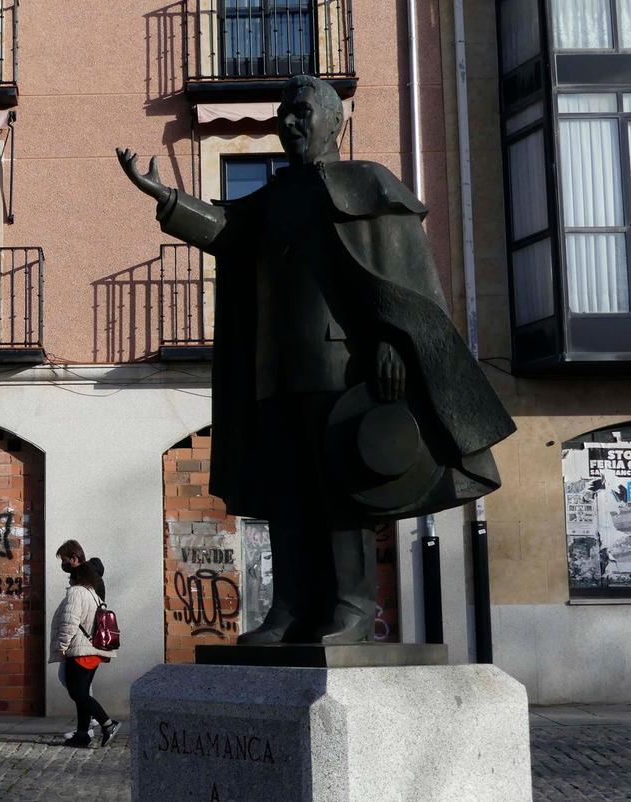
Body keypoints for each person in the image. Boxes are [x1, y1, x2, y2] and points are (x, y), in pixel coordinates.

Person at [116, 74, 514, 644]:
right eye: (284, 113)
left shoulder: (369, 184)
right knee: (286, 494)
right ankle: (288, 610)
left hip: (340, 368)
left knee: (342, 490)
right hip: (275, 371)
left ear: (336, 122)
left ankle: (351, 608)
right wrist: (167, 198)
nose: (290, 122)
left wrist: (392, 343)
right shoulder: (276, 196)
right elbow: (229, 233)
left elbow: (405, 285)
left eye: (302, 111)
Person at [50, 540, 119, 747]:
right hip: (92, 649)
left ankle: (107, 724)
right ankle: (82, 735)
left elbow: (70, 622)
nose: (63, 566)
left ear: (74, 560)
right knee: (81, 692)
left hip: (80, 650)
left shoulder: (77, 592)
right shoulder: (92, 592)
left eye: (64, 560)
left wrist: (62, 646)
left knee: (78, 693)